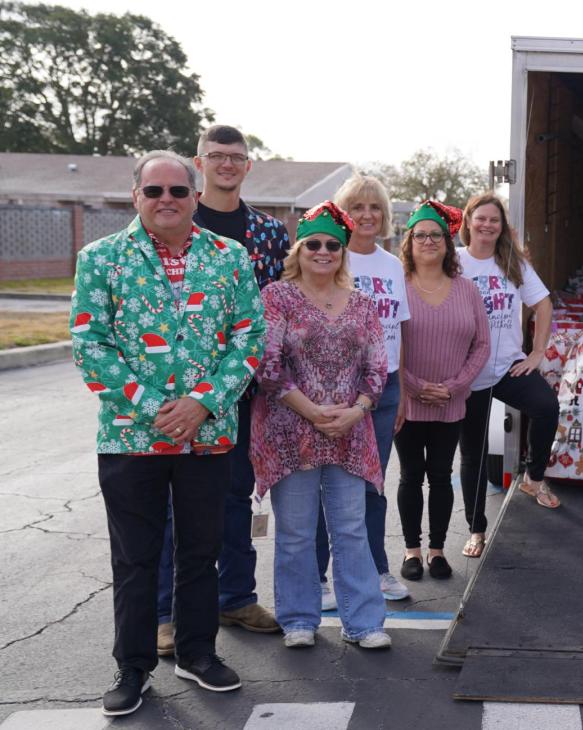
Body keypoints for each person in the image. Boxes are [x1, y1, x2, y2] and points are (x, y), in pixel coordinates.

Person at [71, 150, 262, 715]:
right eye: (154, 192)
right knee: (135, 559)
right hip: (132, 439)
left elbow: (249, 336)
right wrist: (157, 408)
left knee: (202, 552)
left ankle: (197, 652)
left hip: (207, 435)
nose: (166, 201)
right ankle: (133, 668)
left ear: (195, 197)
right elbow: (89, 343)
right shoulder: (101, 259)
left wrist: (201, 404)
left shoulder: (229, 258)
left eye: (178, 191)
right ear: (136, 197)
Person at [153, 125, 288, 656]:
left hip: (243, 388)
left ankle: (235, 595)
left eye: (236, 157)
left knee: (236, 496)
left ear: (248, 166)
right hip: (175, 392)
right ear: (198, 162)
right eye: (216, 156)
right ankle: (166, 613)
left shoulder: (270, 233)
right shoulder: (173, 218)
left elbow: (278, 309)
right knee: (170, 504)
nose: (226, 165)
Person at [251, 201, 393, 651]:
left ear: (343, 252)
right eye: (313, 243)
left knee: (350, 528)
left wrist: (358, 409)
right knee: (295, 531)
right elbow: (267, 365)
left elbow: (378, 367)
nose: (323, 251)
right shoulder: (277, 297)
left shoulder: (363, 303)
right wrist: (312, 412)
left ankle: (364, 623)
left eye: (333, 244)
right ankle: (298, 619)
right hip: (291, 432)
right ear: (299, 249)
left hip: (351, 433)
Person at [313, 174, 411, 606]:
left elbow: (398, 334)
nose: (367, 215)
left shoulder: (394, 267)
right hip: (333, 387)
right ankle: (317, 577)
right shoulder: (329, 257)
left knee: (372, 482)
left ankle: (377, 569)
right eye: (357, 207)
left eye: (375, 207)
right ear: (341, 214)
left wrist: (402, 390)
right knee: (321, 482)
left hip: (384, 387)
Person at [456, 192, 562, 558]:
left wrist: (536, 352)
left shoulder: (512, 263)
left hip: (506, 367)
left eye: (494, 220)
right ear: (468, 221)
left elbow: (543, 304)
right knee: (474, 455)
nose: (487, 225)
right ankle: (476, 530)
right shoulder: (453, 263)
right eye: (480, 218)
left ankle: (533, 478)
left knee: (546, 406)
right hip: (465, 375)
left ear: (502, 228)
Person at [393, 200, 488, 581]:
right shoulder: (397, 287)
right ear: (409, 242)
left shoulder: (467, 290)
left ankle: (437, 551)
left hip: (451, 403)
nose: (429, 241)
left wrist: (454, 387)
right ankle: (411, 550)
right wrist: (414, 386)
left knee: (441, 473)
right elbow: (385, 341)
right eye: (421, 235)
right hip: (409, 403)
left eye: (436, 235)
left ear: (448, 243)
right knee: (411, 474)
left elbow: (482, 344)